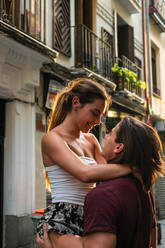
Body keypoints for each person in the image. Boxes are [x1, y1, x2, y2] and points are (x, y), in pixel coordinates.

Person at [36, 116, 164, 248]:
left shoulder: (104, 195)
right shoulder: (143, 191)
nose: (106, 136)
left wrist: (54, 243)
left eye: (110, 133)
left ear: (118, 147)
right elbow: (151, 241)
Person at [37, 78, 131, 242]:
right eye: (95, 113)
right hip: (61, 219)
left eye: (100, 116)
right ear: (76, 103)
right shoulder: (51, 139)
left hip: (92, 216)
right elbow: (85, 173)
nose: (96, 122)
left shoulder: (91, 140)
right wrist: (132, 168)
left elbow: (109, 175)